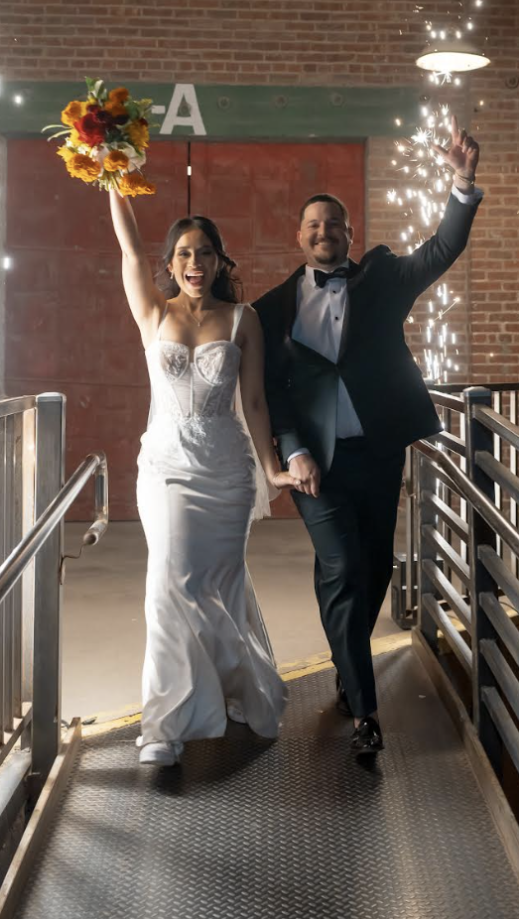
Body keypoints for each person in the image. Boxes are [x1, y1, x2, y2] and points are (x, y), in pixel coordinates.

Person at [253, 117, 483, 757]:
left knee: (372, 567)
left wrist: (462, 182)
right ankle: (365, 710)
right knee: (344, 564)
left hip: (379, 453)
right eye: (313, 225)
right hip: (312, 465)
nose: (324, 232)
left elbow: (442, 248)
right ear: (298, 237)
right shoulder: (273, 309)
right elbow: (275, 390)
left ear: (349, 234)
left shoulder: (382, 279)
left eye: (335, 224)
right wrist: (291, 449)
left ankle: (347, 666)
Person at [109, 192, 297, 766]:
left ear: (220, 262)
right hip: (165, 466)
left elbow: (257, 401)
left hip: (226, 470)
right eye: (184, 254)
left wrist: (272, 470)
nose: (195, 263)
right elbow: (128, 252)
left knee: (220, 582)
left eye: (206, 253)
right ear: (169, 264)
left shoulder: (244, 320)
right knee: (170, 582)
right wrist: (112, 178)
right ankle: (163, 725)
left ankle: (238, 684)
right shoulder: (154, 313)